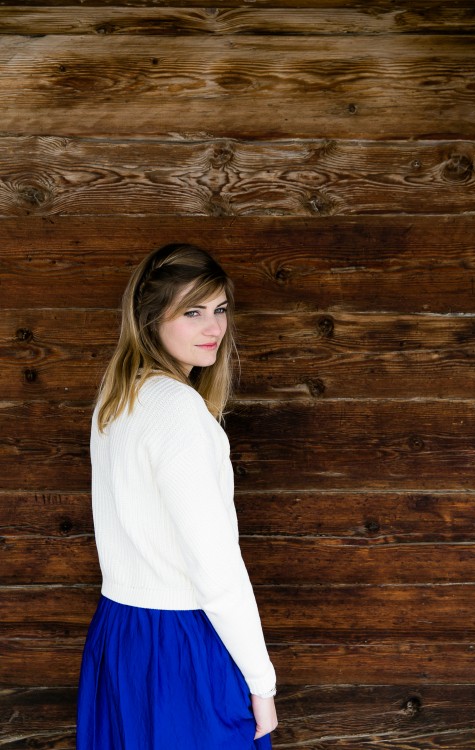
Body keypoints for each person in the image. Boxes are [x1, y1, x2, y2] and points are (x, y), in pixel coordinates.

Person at [76, 243, 278, 749]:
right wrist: (262, 683)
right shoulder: (179, 413)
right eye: (193, 312)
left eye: (220, 310)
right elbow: (216, 569)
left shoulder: (117, 397)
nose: (214, 328)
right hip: (181, 643)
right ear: (150, 319)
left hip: (121, 634)